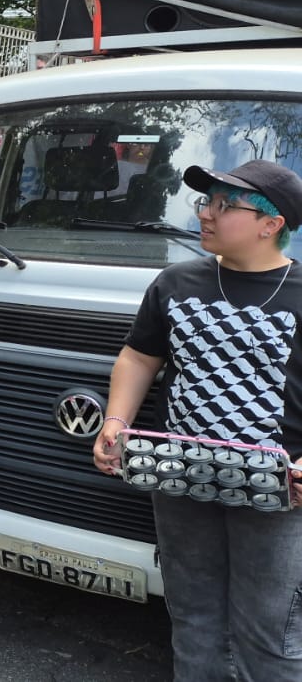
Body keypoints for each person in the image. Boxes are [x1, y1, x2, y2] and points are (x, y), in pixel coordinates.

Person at [92, 161, 302, 681]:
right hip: (180, 478)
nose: (205, 214)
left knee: (270, 633)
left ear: (271, 224)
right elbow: (139, 357)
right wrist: (115, 421)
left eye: (223, 205)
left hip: (281, 494)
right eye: (205, 203)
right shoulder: (175, 282)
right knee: (193, 619)